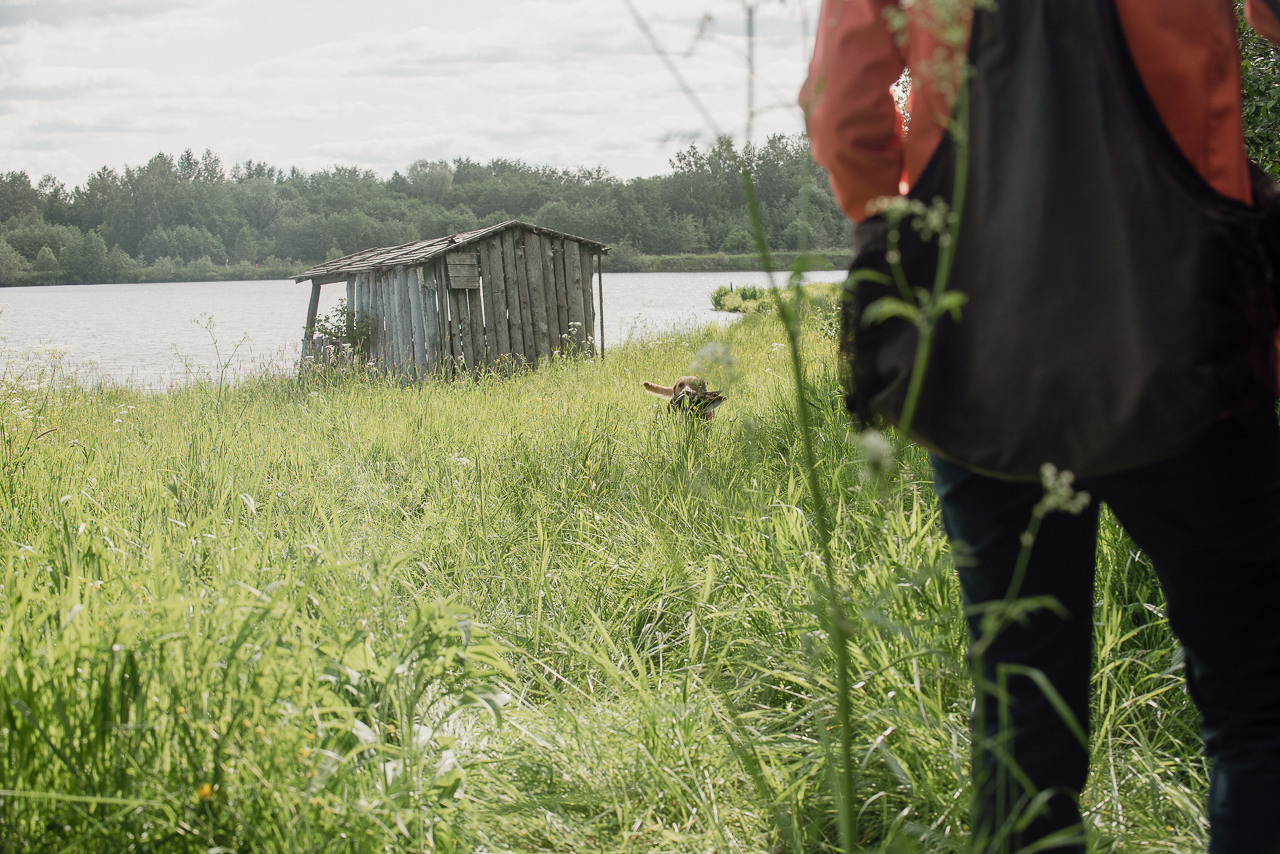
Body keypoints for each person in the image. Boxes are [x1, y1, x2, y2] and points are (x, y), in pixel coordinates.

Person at [801, 1, 1280, 852]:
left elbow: (842, 108)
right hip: (1188, 329)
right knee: (1258, 698)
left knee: (1021, 714)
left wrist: (901, 232)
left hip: (982, 347)